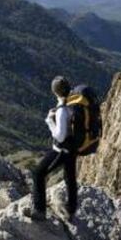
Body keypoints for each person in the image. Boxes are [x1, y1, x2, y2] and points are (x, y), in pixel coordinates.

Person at [26, 76, 77, 221]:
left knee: (38, 174)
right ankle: (71, 211)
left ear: (55, 92)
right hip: (73, 147)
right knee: (70, 178)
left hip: (61, 149)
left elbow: (60, 136)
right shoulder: (75, 103)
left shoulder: (61, 110)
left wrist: (49, 122)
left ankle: (39, 211)